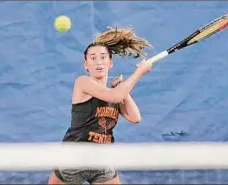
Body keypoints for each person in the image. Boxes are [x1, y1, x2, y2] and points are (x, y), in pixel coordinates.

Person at [47, 26, 154, 184]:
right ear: (85, 64)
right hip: (73, 160)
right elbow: (116, 96)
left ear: (110, 63)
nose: (98, 62)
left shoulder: (114, 92)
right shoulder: (82, 82)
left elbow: (135, 117)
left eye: (103, 57)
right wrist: (139, 72)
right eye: (93, 58)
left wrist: (124, 90)